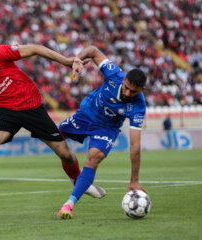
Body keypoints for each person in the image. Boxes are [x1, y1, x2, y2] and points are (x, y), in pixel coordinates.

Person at [0, 36, 106, 207]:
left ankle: (79, 183)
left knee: (66, 154)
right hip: (5, 111)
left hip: (31, 106)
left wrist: (67, 61)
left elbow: (36, 49)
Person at [57, 45, 147, 219]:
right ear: (124, 79)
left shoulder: (138, 107)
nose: (128, 93)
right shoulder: (114, 73)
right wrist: (78, 60)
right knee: (52, 137)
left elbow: (135, 145)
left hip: (107, 128)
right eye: (126, 87)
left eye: (133, 91)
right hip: (86, 113)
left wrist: (134, 179)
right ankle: (79, 181)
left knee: (93, 158)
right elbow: (92, 50)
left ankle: (68, 205)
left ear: (142, 90)